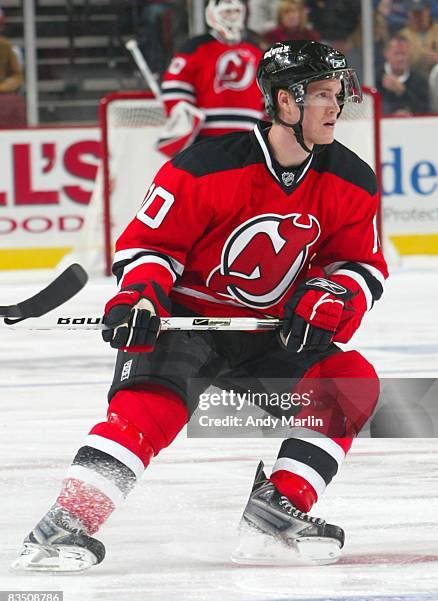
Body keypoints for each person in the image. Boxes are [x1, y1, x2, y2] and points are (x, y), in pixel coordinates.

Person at [12, 40, 388, 572]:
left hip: (269, 334)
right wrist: (140, 295)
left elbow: (360, 265)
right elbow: (150, 246)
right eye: (322, 95)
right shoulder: (206, 167)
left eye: (337, 94)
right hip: (185, 322)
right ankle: (62, 528)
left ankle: (275, 515)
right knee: (149, 410)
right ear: (285, 102)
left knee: (350, 380)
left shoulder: (351, 178)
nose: (336, 106)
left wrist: (332, 296)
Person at [158, 0, 264, 157]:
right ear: (212, 14)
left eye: (236, 12)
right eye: (227, 12)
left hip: (249, 136)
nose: (232, 17)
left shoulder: (255, 50)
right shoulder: (195, 47)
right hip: (206, 136)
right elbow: (174, 87)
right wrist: (185, 119)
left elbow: (267, 92)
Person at [376, 34, 430, 114]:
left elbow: (426, 110)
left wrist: (403, 91)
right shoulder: (375, 78)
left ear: (409, 54)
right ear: (386, 54)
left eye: (403, 53)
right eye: (396, 53)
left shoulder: (420, 81)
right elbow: (369, 110)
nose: (400, 58)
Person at [399, 0, 438, 79]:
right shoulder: (402, 36)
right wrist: (419, 59)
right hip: (415, 78)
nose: (417, 16)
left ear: (428, 11)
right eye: (414, 13)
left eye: (420, 12)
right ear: (409, 14)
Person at [0, 6, 25, 127]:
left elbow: (17, 76)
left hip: (3, 97)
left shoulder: (8, 47)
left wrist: (2, 87)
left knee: (13, 103)